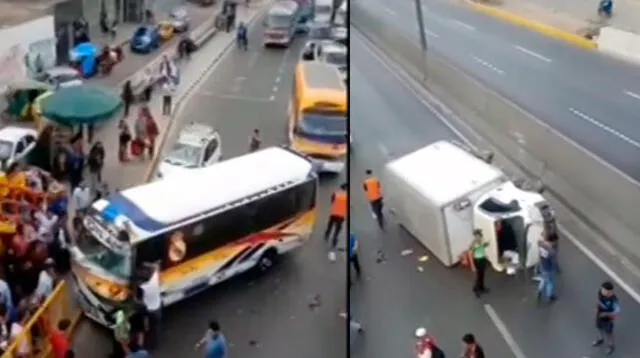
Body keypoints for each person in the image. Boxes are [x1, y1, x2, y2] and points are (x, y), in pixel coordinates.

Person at [593, 281, 620, 355]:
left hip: (607, 320)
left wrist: (606, 314)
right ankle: (601, 339)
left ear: (609, 292)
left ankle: (611, 346)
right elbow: (598, 301)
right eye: (602, 289)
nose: (602, 291)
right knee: (599, 327)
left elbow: (616, 312)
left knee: (609, 333)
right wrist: (596, 310)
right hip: (599, 316)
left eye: (604, 290)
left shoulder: (614, 301)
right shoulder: (600, 293)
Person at [139, 262, 162, 349]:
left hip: (147, 310)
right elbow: (157, 267)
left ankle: (146, 343)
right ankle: (154, 343)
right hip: (157, 308)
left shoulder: (142, 287)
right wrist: (148, 265)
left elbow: (139, 299)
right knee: (155, 327)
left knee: (146, 327)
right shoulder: (155, 280)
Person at [324, 183, 348, 250]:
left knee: (330, 225)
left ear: (341, 187)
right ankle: (334, 240)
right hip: (341, 215)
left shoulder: (335, 193)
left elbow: (332, 201)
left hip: (334, 213)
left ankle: (326, 235)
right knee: (337, 229)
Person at [469, 230, 489, 297]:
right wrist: (472, 265)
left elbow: (482, 248)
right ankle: (476, 290)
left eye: (480, 235)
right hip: (477, 260)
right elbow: (470, 254)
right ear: (475, 236)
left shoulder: (481, 242)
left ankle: (482, 287)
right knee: (478, 276)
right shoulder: (473, 244)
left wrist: (486, 245)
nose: (479, 237)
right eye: (477, 235)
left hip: (482, 259)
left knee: (482, 275)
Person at [536, 238, 557, 303]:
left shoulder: (541, 250)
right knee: (550, 283)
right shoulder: (551, 252)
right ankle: (549, 296)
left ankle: (539, 291)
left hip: (543, 268)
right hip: (549, 269)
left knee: (543, 279)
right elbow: (553, 261)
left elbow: (539, 259)